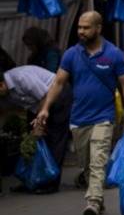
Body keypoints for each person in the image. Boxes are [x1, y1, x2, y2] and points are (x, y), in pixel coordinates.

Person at [35, 11, 124, 215]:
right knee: (87, 164)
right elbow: (58, 83)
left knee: (98, 161)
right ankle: (97, 199)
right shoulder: (72, 54)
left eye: (86, 27)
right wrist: (45, 108)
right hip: (78, 119)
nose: (81, 31)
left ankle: (93, 200)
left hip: (104, 117)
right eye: (79, 27)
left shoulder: (114, 54)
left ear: (98, 28)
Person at [0, 65, 72, 193]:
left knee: (54, 139)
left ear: (1, 85)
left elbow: (46, 95)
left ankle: (50, 183)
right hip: (37, 104)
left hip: (56, 94)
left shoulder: (21, 77)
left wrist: (40, 123)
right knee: (31, 140)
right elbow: (8, 110)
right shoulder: (6, 92)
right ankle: (31, 180)